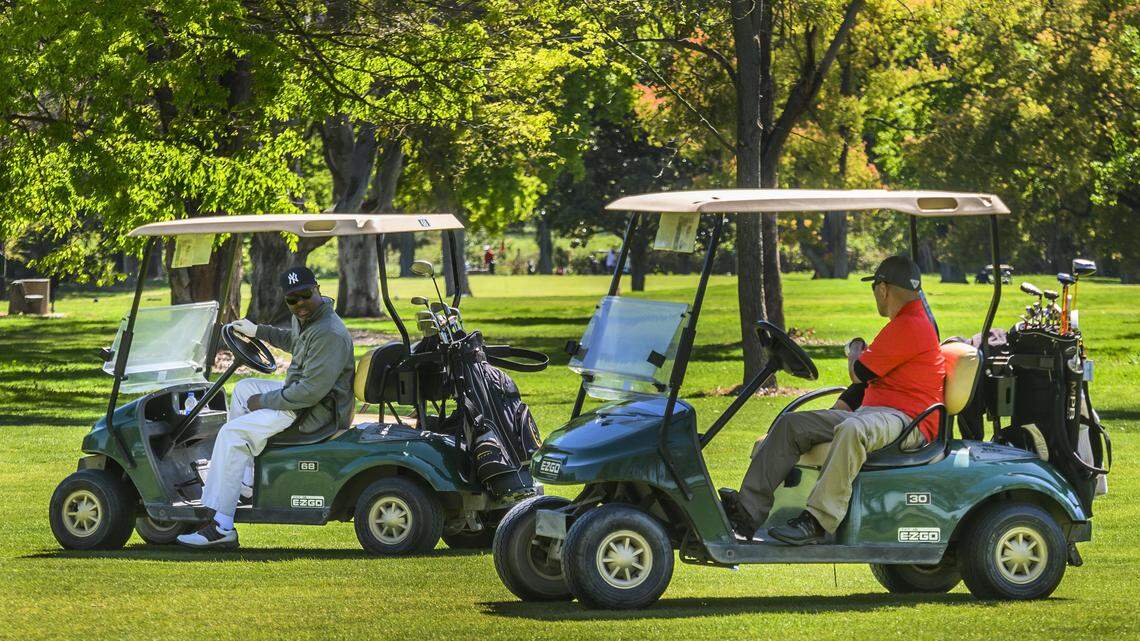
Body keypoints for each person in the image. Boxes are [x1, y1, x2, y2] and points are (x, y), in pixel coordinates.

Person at [720, 255, 945, 545]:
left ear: (883, 289)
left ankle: (817, 521)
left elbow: (859, 372)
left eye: (874, 288)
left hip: (907, 420)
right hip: (875, 413)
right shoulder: (906, 322)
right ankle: (748, 513)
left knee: (852, 430)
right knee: (793, 424)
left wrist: (854, 351)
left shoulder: (910, 324)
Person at [177, 266, 355, 548]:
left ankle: (221, 525)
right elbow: (294, 342)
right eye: (292, 300)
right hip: (302, 396)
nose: (299, 304)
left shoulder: (329, 333)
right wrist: (257, 331)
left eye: (305, 295)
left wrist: (264, 401)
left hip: (314, 412)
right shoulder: (309, 318)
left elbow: (309, 393)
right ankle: (244, 485)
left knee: (231, 434)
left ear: (317, 288)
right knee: (244, 389)